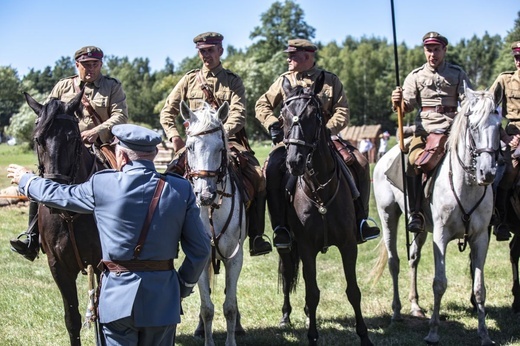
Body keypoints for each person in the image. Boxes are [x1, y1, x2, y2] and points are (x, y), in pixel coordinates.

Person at [7, 124, 211, 345]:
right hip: (163, 299)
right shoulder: (180, 189)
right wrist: (182, 286)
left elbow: (59, 195)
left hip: (116, 301)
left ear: (121, 155)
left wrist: (26, 179)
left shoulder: (102, 184)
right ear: (152, 155)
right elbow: (200, 249)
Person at [255, 38, 380, 249]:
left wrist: (326, 130)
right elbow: (262, 104)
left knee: (359, 161)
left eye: (292, 55)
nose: (288, 58)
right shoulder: (283, 81)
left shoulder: (330, 80)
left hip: (325, 140)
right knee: (272, 170)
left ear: (307, 56)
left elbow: (342, 111)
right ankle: (281, 228)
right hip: (293, 141)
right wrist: (272, 124)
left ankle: (361, 221)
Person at [10, 45, 128, 261]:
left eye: (95, 64)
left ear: (100, 64)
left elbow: (120, 116)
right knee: (42, 179)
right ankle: (32, 237)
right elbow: (47, 114)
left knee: (123, 177)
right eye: (86, 64)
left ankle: (129, 232)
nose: (90, 68)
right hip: (64, 148)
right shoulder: (63, 86)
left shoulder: (112, 86)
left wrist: (96, 131)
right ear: (77, 65)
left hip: (102, 145)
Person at [160, 32, 272, 256]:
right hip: (195, 145)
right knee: (168, 180)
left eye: (210, 50)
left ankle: (257, 237)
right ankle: (168, 237)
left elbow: (239, 114)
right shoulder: (189, 80)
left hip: (228, 141)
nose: (206, 55)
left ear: (220, 50)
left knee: (258, 177)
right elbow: (167, 112)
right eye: (202, 51)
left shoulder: (232, 80)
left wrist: (220, 134)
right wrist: (175, 137)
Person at [391, 32, 471, 233]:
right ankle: (416, 212)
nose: (432, 54)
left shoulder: (457, 73)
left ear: (444, 50)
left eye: (436, 49)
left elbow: (468, 101)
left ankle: (487, 209)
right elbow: (407, 106)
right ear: (424, 51)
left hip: (454, 130)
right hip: (425, 131)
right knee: (412, 162)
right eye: (429, 49)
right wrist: (397, 101)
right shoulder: (416, 76)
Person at [488, 41, 520, 241]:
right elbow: (487, 108)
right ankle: (500, 220)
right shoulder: (505, 80)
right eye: (517, 57)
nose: (519, 62)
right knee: (509, 171)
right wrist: (504, 136)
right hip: (514, 133)